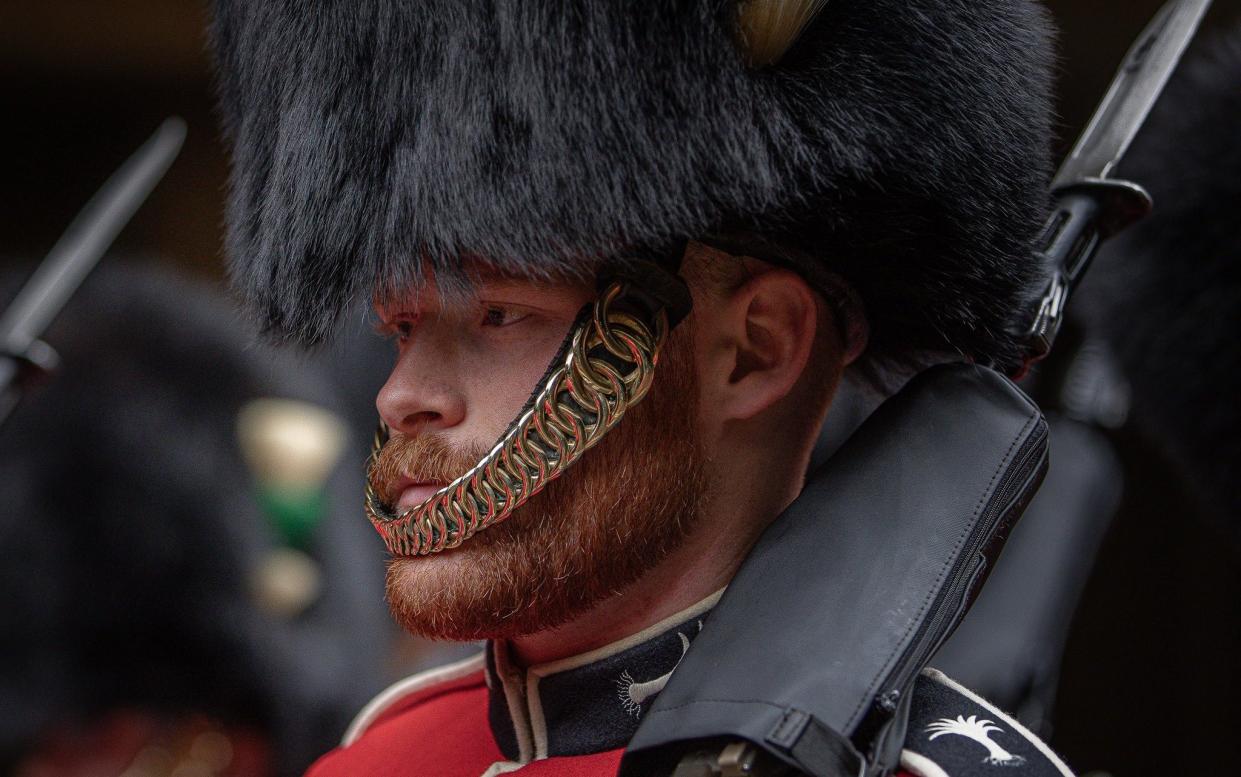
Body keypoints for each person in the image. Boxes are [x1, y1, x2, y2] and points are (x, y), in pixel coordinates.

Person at [208, 1, 1077, 774]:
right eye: (402, 328)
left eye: (501, 315)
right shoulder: (380, 758)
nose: (402, 395)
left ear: (753, 350)